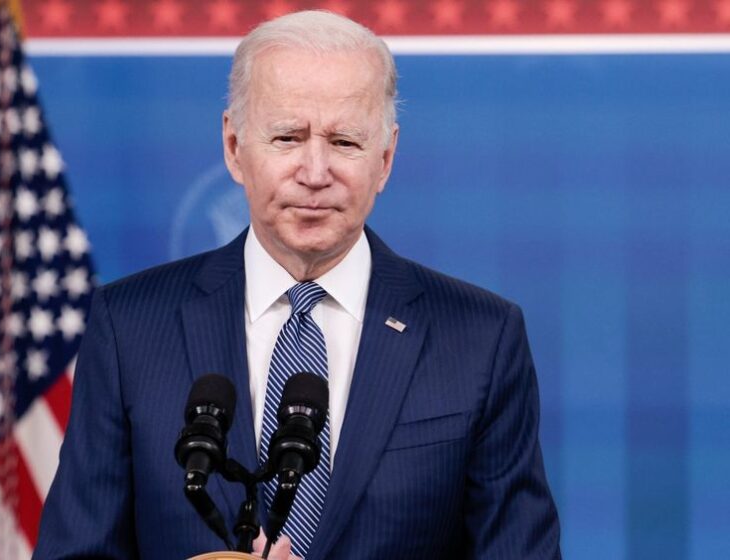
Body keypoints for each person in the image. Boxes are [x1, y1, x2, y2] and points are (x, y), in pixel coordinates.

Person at [35, 10, 560, 560]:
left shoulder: (481, 339)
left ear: (385, 158)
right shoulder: (131, 326)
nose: (314, 173)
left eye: (345, 143)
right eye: (287, 137)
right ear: (235, 147)